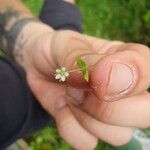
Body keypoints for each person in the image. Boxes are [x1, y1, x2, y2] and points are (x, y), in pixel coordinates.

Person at [0, 0, 150, 149]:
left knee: (64, 18)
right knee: (65, 19)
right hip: (36, 104)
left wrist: (32, 40)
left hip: (44, 92)